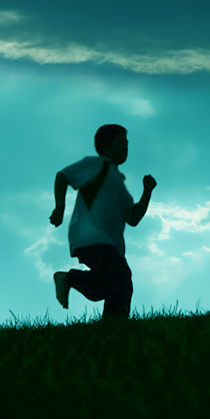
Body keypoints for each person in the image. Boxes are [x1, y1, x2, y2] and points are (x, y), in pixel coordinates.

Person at [50, 125, 156, 318]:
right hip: (91, 236)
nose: (126, 147)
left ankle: (112, 328)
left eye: (127, 143)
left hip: (108, 243)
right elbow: (62, 176)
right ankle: (71, 279)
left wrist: (147, 192)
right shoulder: (95, 165)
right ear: (105, 146)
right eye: (121, 142)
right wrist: (59, 208)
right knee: (120, 278)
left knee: (116, 284)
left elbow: (133, 218)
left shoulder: (117, 182)